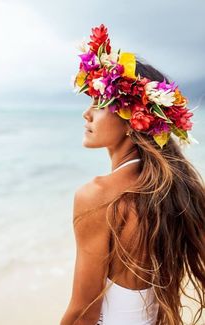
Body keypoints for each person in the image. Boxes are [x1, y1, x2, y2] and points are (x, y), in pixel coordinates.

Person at [60, 24, 205, 325]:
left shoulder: (98, 195)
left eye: (101, 103)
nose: (87, 113)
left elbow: (83, 312)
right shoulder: (165, 189)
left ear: (133, 120)